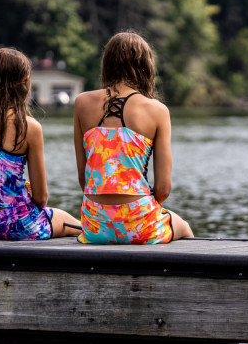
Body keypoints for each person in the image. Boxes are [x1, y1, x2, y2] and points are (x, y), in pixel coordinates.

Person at [73, 31, 194, 244]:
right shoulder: (157, 110)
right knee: (183, 226)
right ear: (145, 66)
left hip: (95, 225)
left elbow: (85, 180)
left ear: (107, 63)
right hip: (139, 224)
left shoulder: (82, 103)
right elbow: (164, 189)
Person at [0, 47, 81, 240]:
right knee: (73, 223)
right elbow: (41, 199)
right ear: (25, 82)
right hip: (17, 225)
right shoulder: (28, 126)